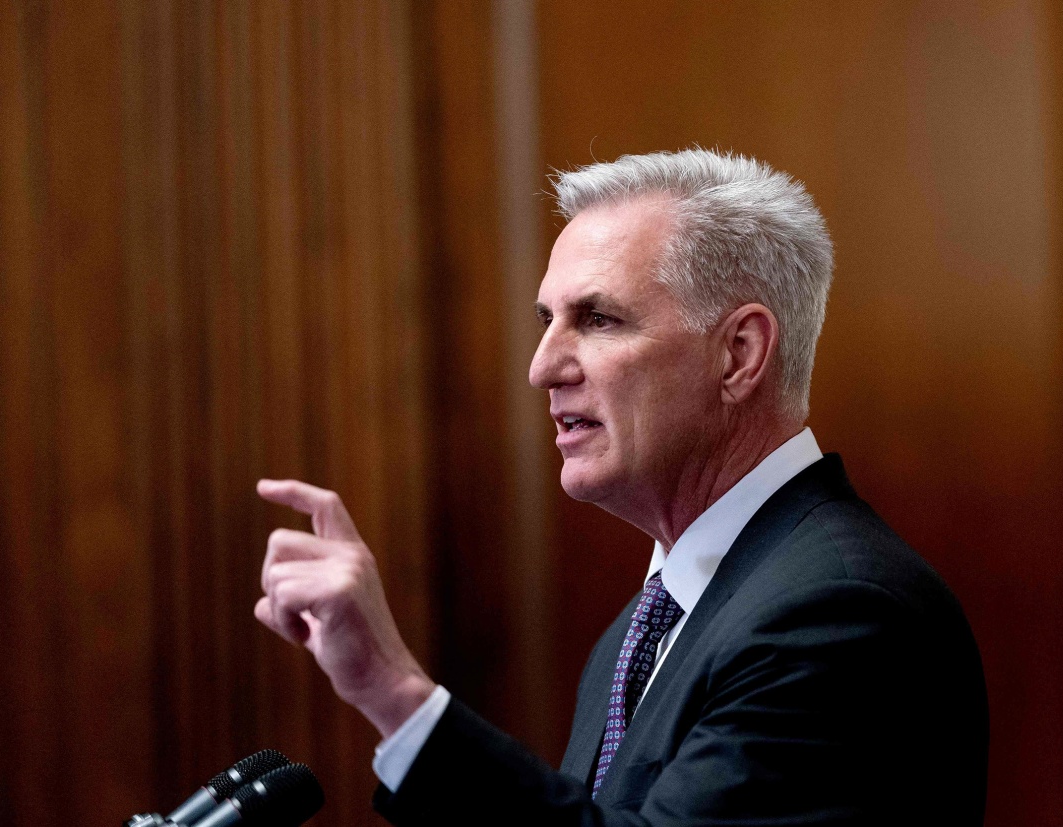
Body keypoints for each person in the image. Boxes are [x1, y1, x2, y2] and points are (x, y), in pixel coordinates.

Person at [256, 148, 989, 825]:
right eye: (548, 320)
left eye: (598, 319)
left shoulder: (839, 611)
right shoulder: (644, 627)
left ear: (739, 353)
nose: (543, 367)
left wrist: (394, 690)